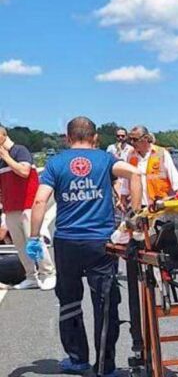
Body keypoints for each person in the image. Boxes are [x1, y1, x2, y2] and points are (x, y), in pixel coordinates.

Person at [27, 116, 143, 376]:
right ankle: (105, 366)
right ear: (95, 138)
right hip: (101, 243)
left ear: (68, 138)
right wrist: (134, 216)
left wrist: (34, 237)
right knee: (105, 303)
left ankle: (77, 359)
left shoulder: (56, 164)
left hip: (67, 242)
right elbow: (135, 173)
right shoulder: (105, 159)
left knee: (69, 301)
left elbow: (39, 202)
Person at [0, 126, 56, 290]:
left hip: (28, 205)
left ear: (4, 136)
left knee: (34, 240)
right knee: (20, 244)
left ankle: (48, 273)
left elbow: (24, 171)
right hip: (10, 207)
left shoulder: (20, 151)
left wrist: (6, 157)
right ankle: (31, 276)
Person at [124, 125, 178, 207]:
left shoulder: (161, 153)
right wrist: (123, 198)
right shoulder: (130, 155)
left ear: (145, 138)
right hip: (138, 205)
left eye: (135, 139)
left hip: (158, 205)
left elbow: (176, 182)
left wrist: (173, 200)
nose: (132, 143)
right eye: (130, 139)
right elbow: (126, 182)